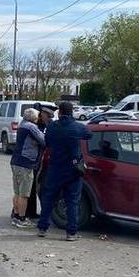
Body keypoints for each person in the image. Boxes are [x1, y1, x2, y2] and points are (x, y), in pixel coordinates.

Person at [37, 101, 91, 241]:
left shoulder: (52, 127)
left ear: (59, 112)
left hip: (55, 168)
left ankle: (42, 228)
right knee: (72, 201)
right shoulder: (77, 127)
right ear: (72, 112)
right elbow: (89, 134)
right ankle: (71, 233)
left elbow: (47, 143)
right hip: (73, 170)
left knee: (49, 199)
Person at [9, 107, 45, 228]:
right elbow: (44, 141)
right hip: (26, 163)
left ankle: (15, 215)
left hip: (16, 161)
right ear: (33, 118)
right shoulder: (31, 127)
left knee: (17, 192)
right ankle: (21, 219)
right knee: (24, 194)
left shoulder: (22, 124)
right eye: (37, 116)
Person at [24, 102, 57, 220]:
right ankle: (26, 212)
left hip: (44, 162)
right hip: (34, 161)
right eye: (43, 114)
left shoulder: (51, 125)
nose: (42, 117)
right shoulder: (35, 126)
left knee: (40, 188)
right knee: (29, 188)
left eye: (48, 115)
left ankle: (36, 212)